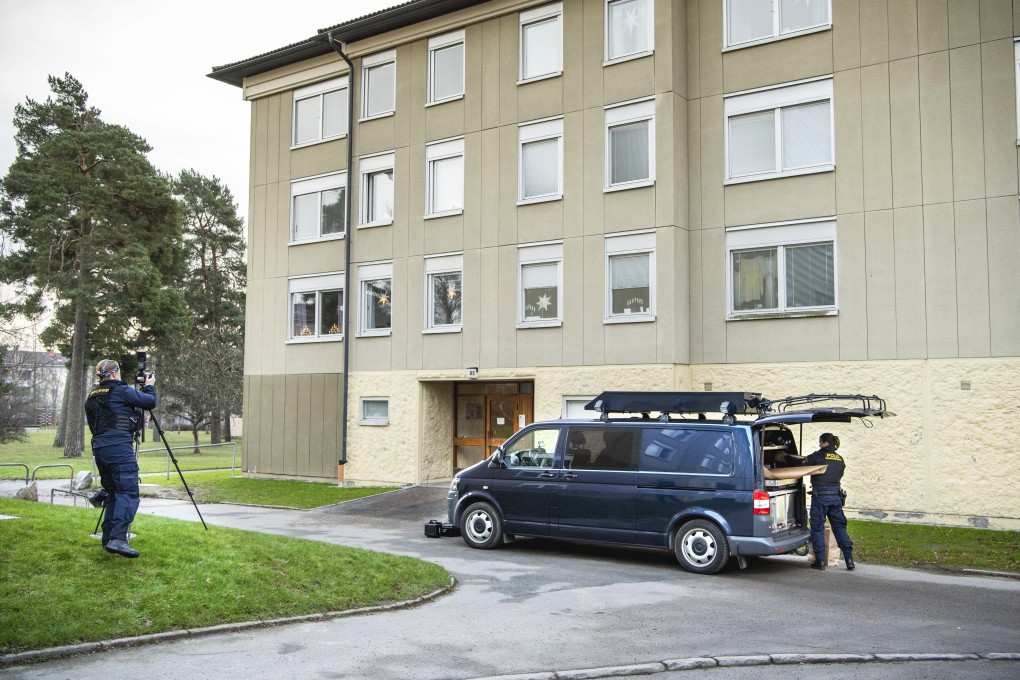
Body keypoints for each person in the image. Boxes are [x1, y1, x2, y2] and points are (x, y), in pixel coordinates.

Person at [84, 359, 157, 558]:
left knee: (113, 493)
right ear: (115, 373)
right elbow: (150, 402)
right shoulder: (121, 391)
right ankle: (118, 539)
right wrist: (149, 387)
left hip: (100, 449)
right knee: (127, 491)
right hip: (119, 448)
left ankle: (108, 539)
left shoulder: (92, 396)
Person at [799, 432, 854, 571]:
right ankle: (849, 560)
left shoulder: (819, 456)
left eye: (820, 442)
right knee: (840, 527)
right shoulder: (840, 459)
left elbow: (801, 463)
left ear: (824, 442)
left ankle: (820, 561)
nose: (819, 444)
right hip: (836, 498)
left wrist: (784, 457)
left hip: (820, 498)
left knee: (817, 528)